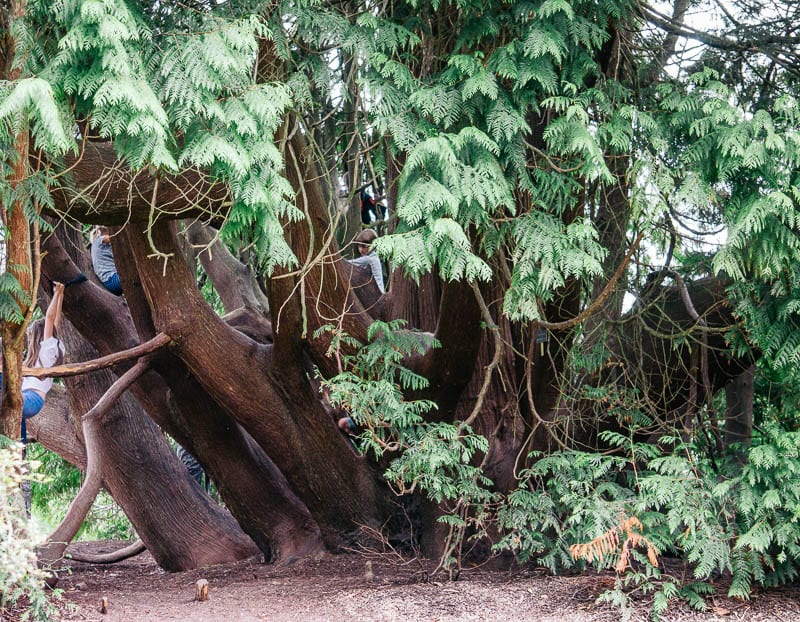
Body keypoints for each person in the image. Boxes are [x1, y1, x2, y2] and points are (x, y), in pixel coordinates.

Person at [347, 228, 385, 293]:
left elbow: (347, 264)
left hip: (376, 295)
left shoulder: (369, 259)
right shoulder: (374, 257)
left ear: (373, 246)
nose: (361, 250)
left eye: (364, 246)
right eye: (359, 246)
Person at [91, 226, 123, 295]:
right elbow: (115, 236)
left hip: (110, 282)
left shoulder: (98, 246)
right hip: (113, 280)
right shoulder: (99, 240)